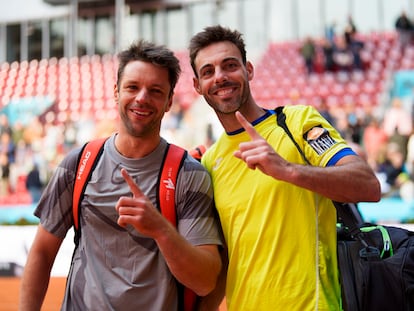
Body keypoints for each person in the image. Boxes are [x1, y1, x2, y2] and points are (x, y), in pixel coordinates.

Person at [19, 40, 223, 311]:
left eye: (155, 90)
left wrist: (161, 230)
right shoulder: (79, 164)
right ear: (116, 92)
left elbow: (206, 281)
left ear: (169, 101)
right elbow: (42, 253)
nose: (142, 98)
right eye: (132, 87)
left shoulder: (189, 175)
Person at [188, 25, 381, 310]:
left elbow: (367, 185)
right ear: (197, 86)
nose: (220, 77)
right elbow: (226, 261)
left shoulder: (296, 121)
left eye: (230, 65)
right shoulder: (209, 162)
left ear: (249, 70)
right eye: (208, 71)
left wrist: (287, 169)